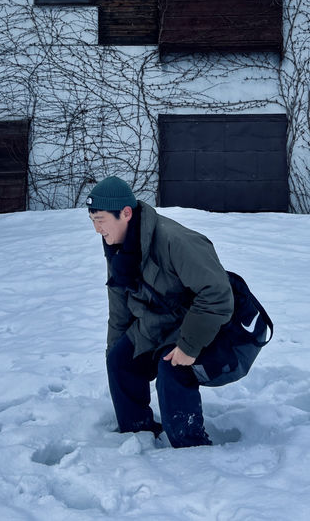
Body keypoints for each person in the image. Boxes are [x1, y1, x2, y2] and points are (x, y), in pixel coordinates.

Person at [87, 175, 233, 448]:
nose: (97, 230)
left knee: (172, 365)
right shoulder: (117, 248)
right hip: (154, 323)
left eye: (101, 220)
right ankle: (137, 435)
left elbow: (217, 294)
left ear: (126, 213)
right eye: (92, 221)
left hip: (192, 321)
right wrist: (114, 349)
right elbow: (118, 305)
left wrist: (188, 346)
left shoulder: (174, 241)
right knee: (119, 360)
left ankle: (190, 444)